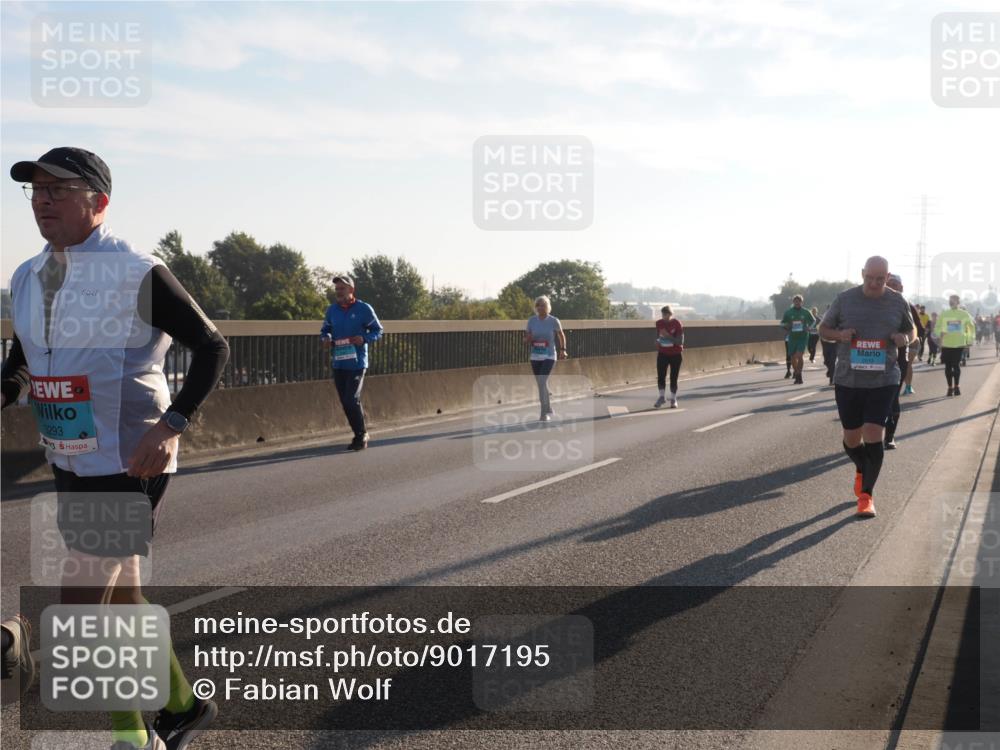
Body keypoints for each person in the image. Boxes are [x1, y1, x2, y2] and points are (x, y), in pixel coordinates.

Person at [2, 147, 229, 750]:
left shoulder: (135, 271)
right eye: (36, 190)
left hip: (132, 457)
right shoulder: (26, 276)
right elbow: (24, 358)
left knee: (80, 596)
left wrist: (173, 424)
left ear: (99, 202)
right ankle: (180, 707)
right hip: (68, 451)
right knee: (120, 597)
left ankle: (132, 737)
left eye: (59, 189)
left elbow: (212, 348)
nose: (43, 199)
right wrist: (9, 387)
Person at [819, 256, 916, 518]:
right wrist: (840, 335)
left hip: (884, 378)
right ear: (862, 274)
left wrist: (903, 338)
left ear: (887, 277)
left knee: (874, 434)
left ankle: (867, 496)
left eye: (880, 279)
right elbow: (823, 328)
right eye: (869, 278)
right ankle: (862, 468)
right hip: (848, 380)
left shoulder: (898, 301)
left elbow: (913, 331)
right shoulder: (845, 299)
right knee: (852, 439)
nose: (874, 284)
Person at [320, 275, 383, 450]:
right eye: (337, 289)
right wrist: (326, 338)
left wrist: (363, 338)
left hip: (357, 363)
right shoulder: (332, 310)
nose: (338, 292)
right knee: (345, 401)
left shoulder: (364, 309)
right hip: (339, 362)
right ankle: (359, 432)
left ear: (351, 290)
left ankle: (360, 435)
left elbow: (378, 331)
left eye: (342, 288)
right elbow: (325, 330)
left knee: (351, 399)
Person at [883, 274, 924, 449]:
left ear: (901, 287)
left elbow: (918, 331)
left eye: (895, 284)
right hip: (870, 358)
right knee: (869, 398)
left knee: (892, 398)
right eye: (889, 284)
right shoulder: (871, 302)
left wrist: (906, 337)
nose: (892, 287)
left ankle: (889, 436)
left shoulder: (906, 305)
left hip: (897, 359)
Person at [525, 296, 567, 421]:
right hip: (535, 356)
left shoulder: (553, 320)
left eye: (542, 305)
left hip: (549, 355)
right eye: (538, 305)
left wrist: (563, 350)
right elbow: (526, 337)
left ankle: (543, 413)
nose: (540, 307)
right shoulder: (531, 320)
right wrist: (527, 339)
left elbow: (561, 335)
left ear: (547, 306)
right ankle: (548, 407)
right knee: (540, 384)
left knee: (542, 381)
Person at [937, 295, 976, 396]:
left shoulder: (964, 314)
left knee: (956, 365)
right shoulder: (944, 314)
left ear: (958, 302)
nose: (951, 302)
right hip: (946, 344)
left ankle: (957, 386)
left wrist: (969, 339)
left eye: (953, 300)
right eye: (950, 300)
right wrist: (940, 333)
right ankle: (950, 387)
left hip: (959, 344)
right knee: (948, 367)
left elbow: (971, 327)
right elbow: (937, 327)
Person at [654, 305, 684, 408]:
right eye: (663, 314)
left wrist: (668, 336)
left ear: (671, 314)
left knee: (673, 377)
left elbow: (680, 342)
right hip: (663, 353)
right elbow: (658, 336)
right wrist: (657, 341)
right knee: (661, 376)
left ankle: (673, 399)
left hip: (675, 354)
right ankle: (661, 397)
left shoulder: (677, 323)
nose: (664, 316)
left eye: (666, 314)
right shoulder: (659, 323)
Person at [780, 295, 814, 385]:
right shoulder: (788, 312)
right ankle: (796, 373)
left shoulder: (806, 312)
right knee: (793, 357)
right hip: (792, 337)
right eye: (795, 301)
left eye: (799, 301)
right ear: (793, 302)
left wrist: (809, 327)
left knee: (799, 355)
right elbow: (782, 323)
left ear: (801, 302)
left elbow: (814, 320)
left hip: (802, 337)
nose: (797, 303)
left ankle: (799, 375)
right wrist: (786, 326)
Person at [819, 305, 838, 386]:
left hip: (835, 342)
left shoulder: (838, 316)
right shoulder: (824, 317)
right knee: (826, 360)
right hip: (825, 341)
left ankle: (832, 379)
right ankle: (830, 370)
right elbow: (820, 328)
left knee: (832, 360)